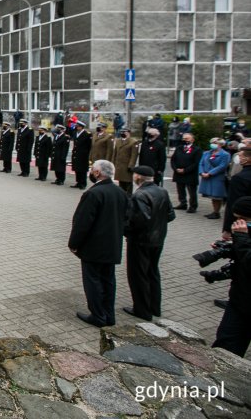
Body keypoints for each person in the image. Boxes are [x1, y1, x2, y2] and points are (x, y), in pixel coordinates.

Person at [68, 160, 129, 327]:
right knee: (108, 281)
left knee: (93, 281)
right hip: (112, 246)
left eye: (91, 170)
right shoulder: (120, 192)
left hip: (94, 247)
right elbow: (127, 219)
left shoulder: (93, 193)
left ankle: (98, 315)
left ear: (96, 173)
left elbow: (82, 223)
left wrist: (73, 243)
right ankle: (109, 315)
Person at [123, 165, 175, 321]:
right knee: (153, 272)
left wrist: (126, 231)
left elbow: (137, 221)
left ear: (138, 177)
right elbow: (170, 215)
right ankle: (154, 306)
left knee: (138, 275)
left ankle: (142, 309)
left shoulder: (139, 195)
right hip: (158, 239)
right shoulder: (162, 191)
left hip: (141, 241)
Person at [211, 196, 251, 358]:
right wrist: (228, 247)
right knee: (225, 344)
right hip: (239, 299)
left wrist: (241, 238)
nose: (239, 223)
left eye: (244, 219)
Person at [223, 146, 251, 239]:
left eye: (240, 156)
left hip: (244, 223)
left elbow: (233, 203)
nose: (238, 158)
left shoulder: (239, 178)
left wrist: (227, 229)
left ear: (247, 159)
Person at [199, 139, 231, 220]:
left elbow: (222, 166)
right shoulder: (206, 153)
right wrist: (202, 172)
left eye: (215, 143)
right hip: (206, 176)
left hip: (217, 177)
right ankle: (214, 211)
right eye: (212, 143)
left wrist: (210, 173)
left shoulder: (225, 154)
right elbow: (201, 163)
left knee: (217, 196)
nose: (213, 144)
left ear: (221, 144)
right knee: (211, 196)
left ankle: (216, 212)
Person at [171, 133, 202, 213]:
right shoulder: (179, 148)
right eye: (184, 138)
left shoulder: (197, 150)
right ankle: (183, 203)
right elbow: (173, 159)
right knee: (180, 189)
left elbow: (196, 163)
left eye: (187, 139)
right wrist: (175, 169)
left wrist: (185, 170)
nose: (185, 140)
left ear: (192, 140)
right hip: (178, 173)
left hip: (190, 174)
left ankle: (193, 206)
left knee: (191, 191)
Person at [112, 129, 138, 194]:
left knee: (128, 182)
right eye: (121, 132)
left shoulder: (133, 142)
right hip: (119, 165)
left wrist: (131, 165)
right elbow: (115, 153)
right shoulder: (118, 141)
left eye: (124, 132)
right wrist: (113, 163)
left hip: (127, 165)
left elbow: (134, 155)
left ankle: (129, 196)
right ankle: (122, 195)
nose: (122, 133)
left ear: (128, 133)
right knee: (121, 181)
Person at [71, 121, 93, 189]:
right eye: (76, 126)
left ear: (81, 127)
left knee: (82, 170)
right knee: (77, 169)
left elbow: (89, 146)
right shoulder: (75, 133)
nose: (76, 127)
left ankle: (83, 183)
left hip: (83, 155)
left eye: (78, 126)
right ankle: (78, 182)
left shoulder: (87, 134)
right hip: (76, 154)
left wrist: (87, 154)